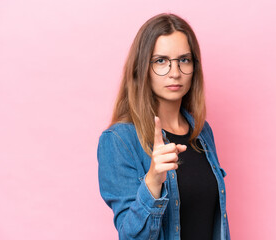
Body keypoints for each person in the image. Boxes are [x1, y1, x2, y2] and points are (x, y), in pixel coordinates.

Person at [97, 13, 230, 240]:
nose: (175, 72)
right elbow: (131, 237)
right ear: (142, 69)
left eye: (184, 60)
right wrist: (152, 181)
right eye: (161, 61)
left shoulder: (202, 132)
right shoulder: (119, 140)